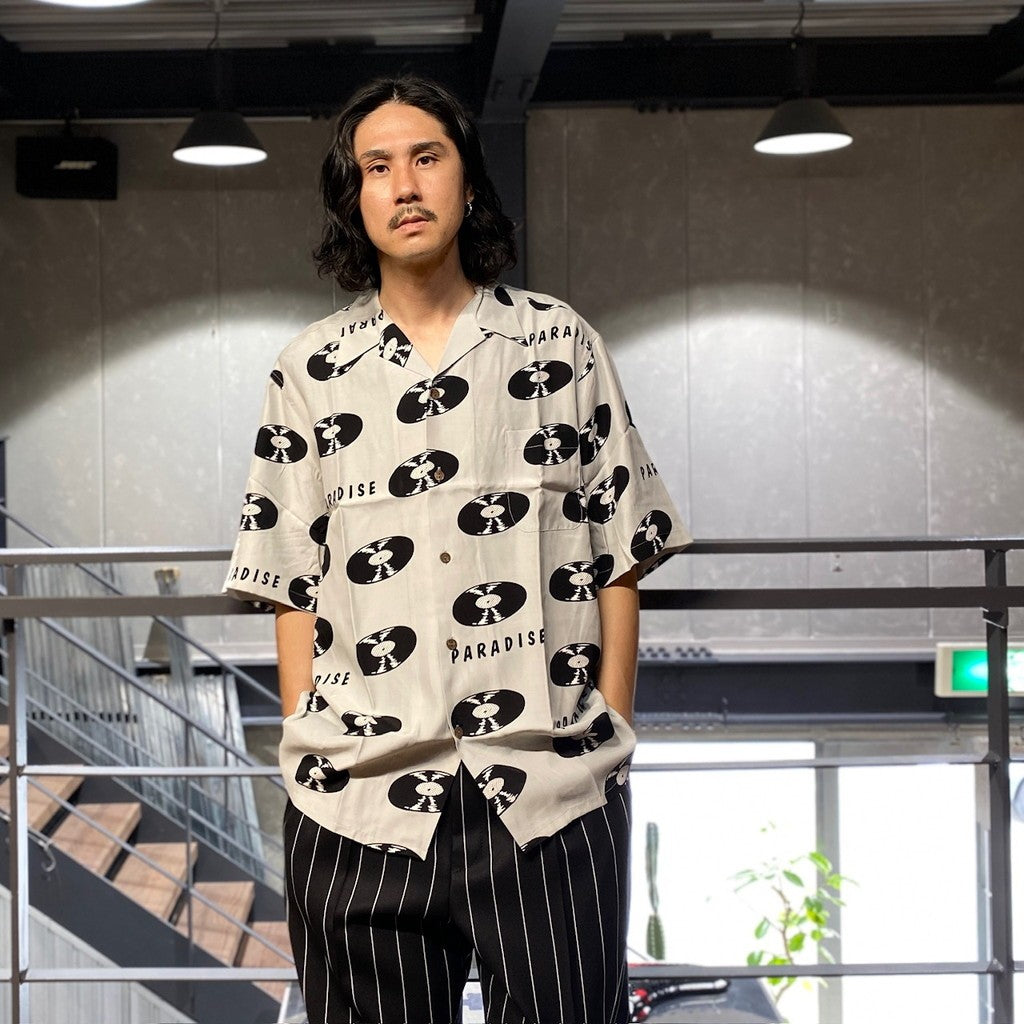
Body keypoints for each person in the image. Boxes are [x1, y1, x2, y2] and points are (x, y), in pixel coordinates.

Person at [223, 74, 692, 1024]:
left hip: (551, 796)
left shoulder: (559, 343)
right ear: (354, 199)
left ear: (467, 180)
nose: (404, 185)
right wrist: (310, 739)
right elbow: (289, 580)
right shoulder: (309, 370)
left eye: (426, 158)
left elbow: (622, 550)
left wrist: (607, 731)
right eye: (377, 167)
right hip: (358, 801)